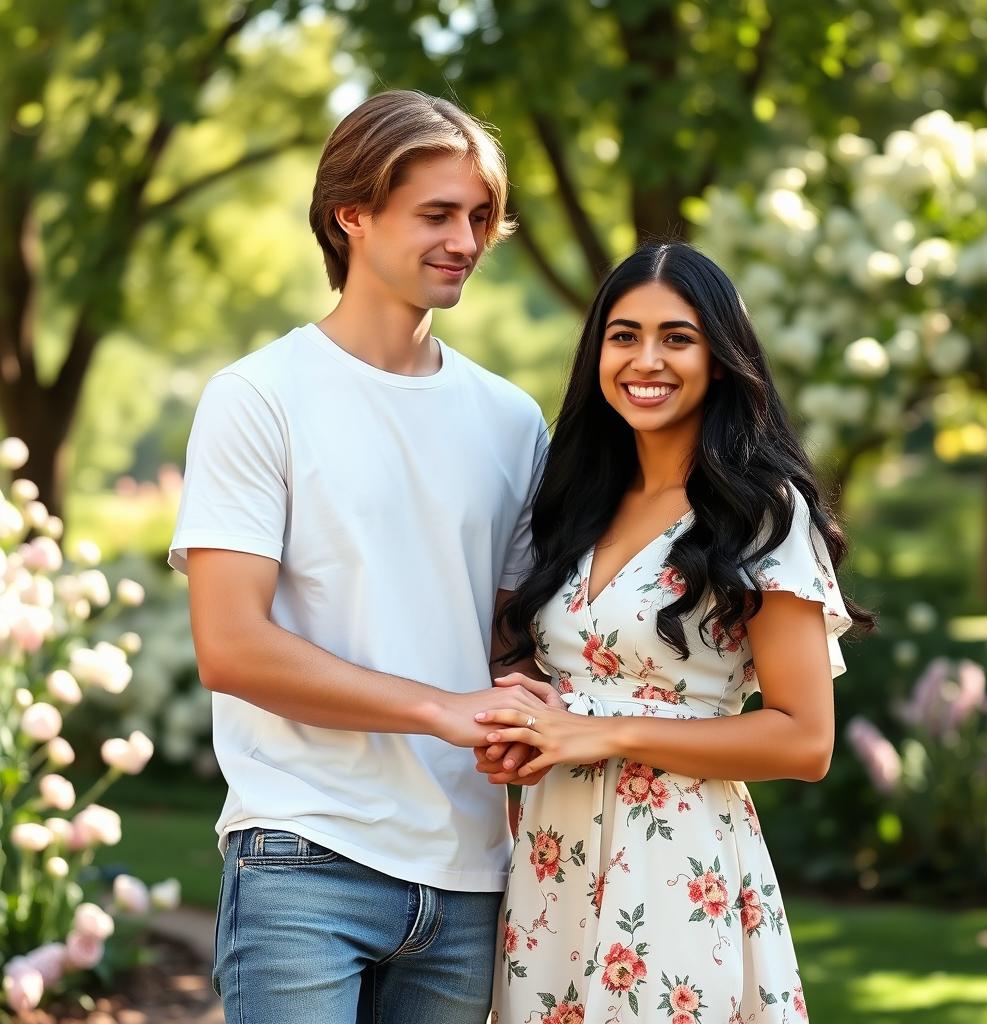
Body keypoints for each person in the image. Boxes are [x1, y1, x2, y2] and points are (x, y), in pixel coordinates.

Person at [168, 90, 558, 1024]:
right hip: (305, 856)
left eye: (478, 216)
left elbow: (506, 642)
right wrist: (442, 709)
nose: (465, 239)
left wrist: (525, 700)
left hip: (469, 875)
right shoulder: (259, 397)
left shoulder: (512, 420)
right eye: (437, 214)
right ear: (352, 214)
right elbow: (230, 647)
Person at [477, 243, 874, 1023]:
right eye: (624, 336)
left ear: (721, 359)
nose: (645, 360)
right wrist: (532, 724)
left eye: (677, 338)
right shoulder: (572, 500)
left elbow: (804, 742)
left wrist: (603, 733)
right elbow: (565, 682)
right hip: (554, 868)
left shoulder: (763, 513)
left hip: (674, 864)